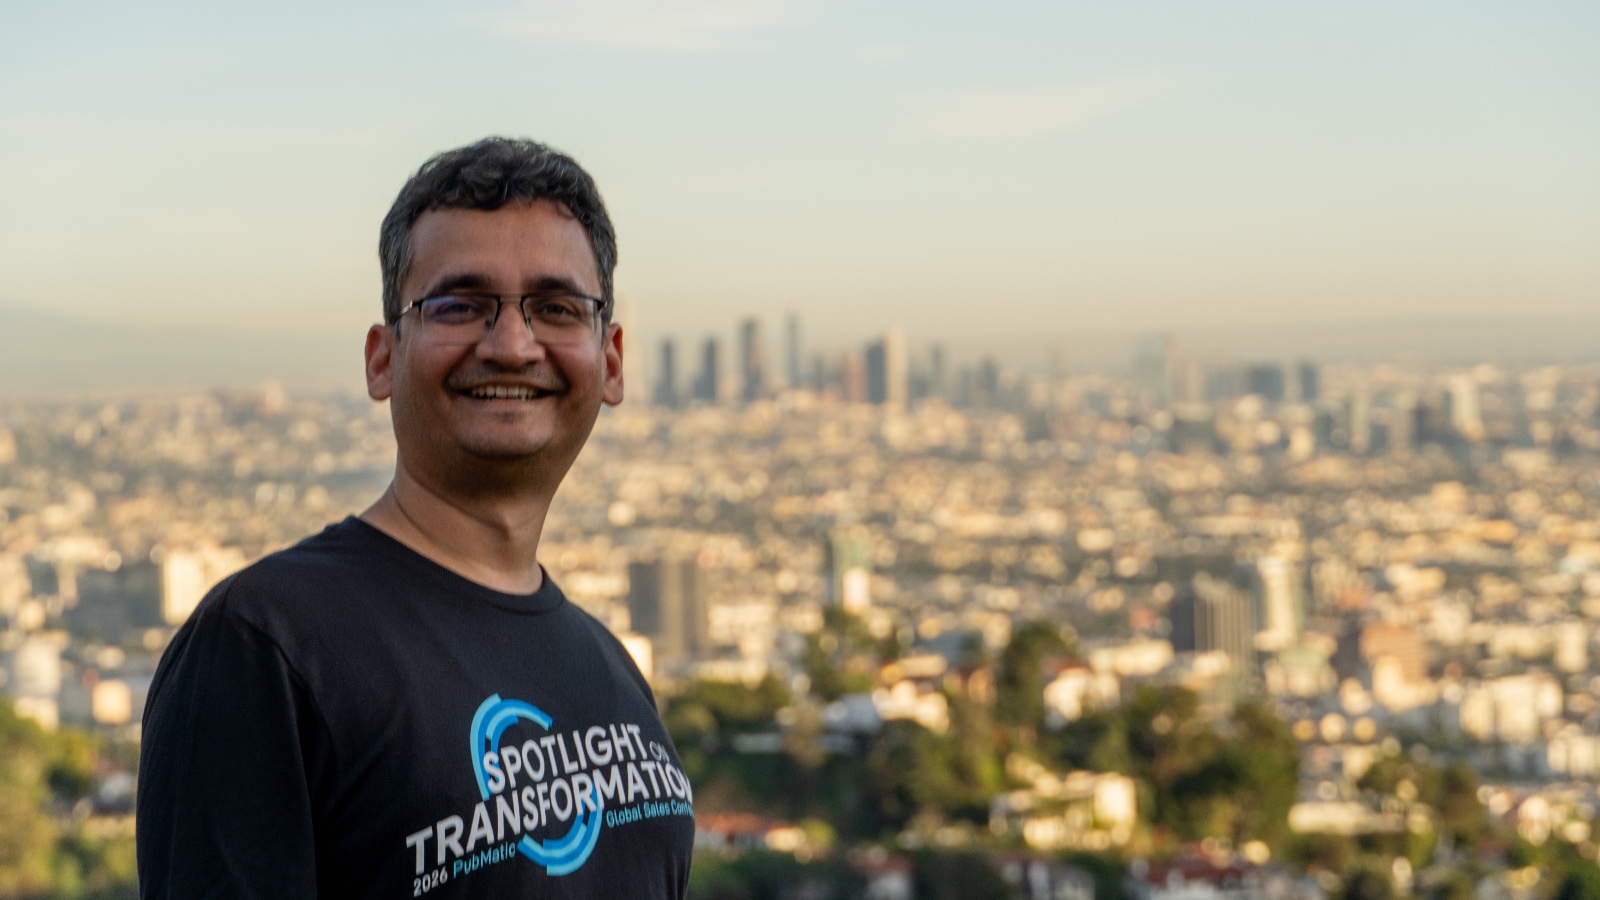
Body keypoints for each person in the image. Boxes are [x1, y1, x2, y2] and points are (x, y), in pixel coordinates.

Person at [137, 138, 695, 898]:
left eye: (557, 308)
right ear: (380, 359)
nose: (511, 344)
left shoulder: (612, 668)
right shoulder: (266, 646)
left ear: (613, 360)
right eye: (459, 305)